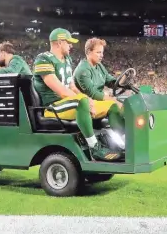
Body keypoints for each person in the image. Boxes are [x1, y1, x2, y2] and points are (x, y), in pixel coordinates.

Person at [33, 28, 122, 162]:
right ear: (59, 42)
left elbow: (72, 86)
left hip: (70, 103)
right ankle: (94, 147)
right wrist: (84, 99)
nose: (71, 45)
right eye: (68, 42)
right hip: (52, 107)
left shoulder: (66, 59)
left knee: (112, 106)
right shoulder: (43, 59)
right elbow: (61, 91)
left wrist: (85, 98)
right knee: (82, 102)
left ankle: (122, 143)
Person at [73, 38, 125, 140]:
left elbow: (111, 81)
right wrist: (112, 100)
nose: (102, 55)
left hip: (98, 102)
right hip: (87, 105)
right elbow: (93, 94)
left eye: (102, 52)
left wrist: (123, 81)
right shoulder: (83, 70)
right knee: (114, 105)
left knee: (125, 103)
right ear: (88, 52)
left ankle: (127, 133)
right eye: (98, 52)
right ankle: (125, 136)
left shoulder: (99, 66)